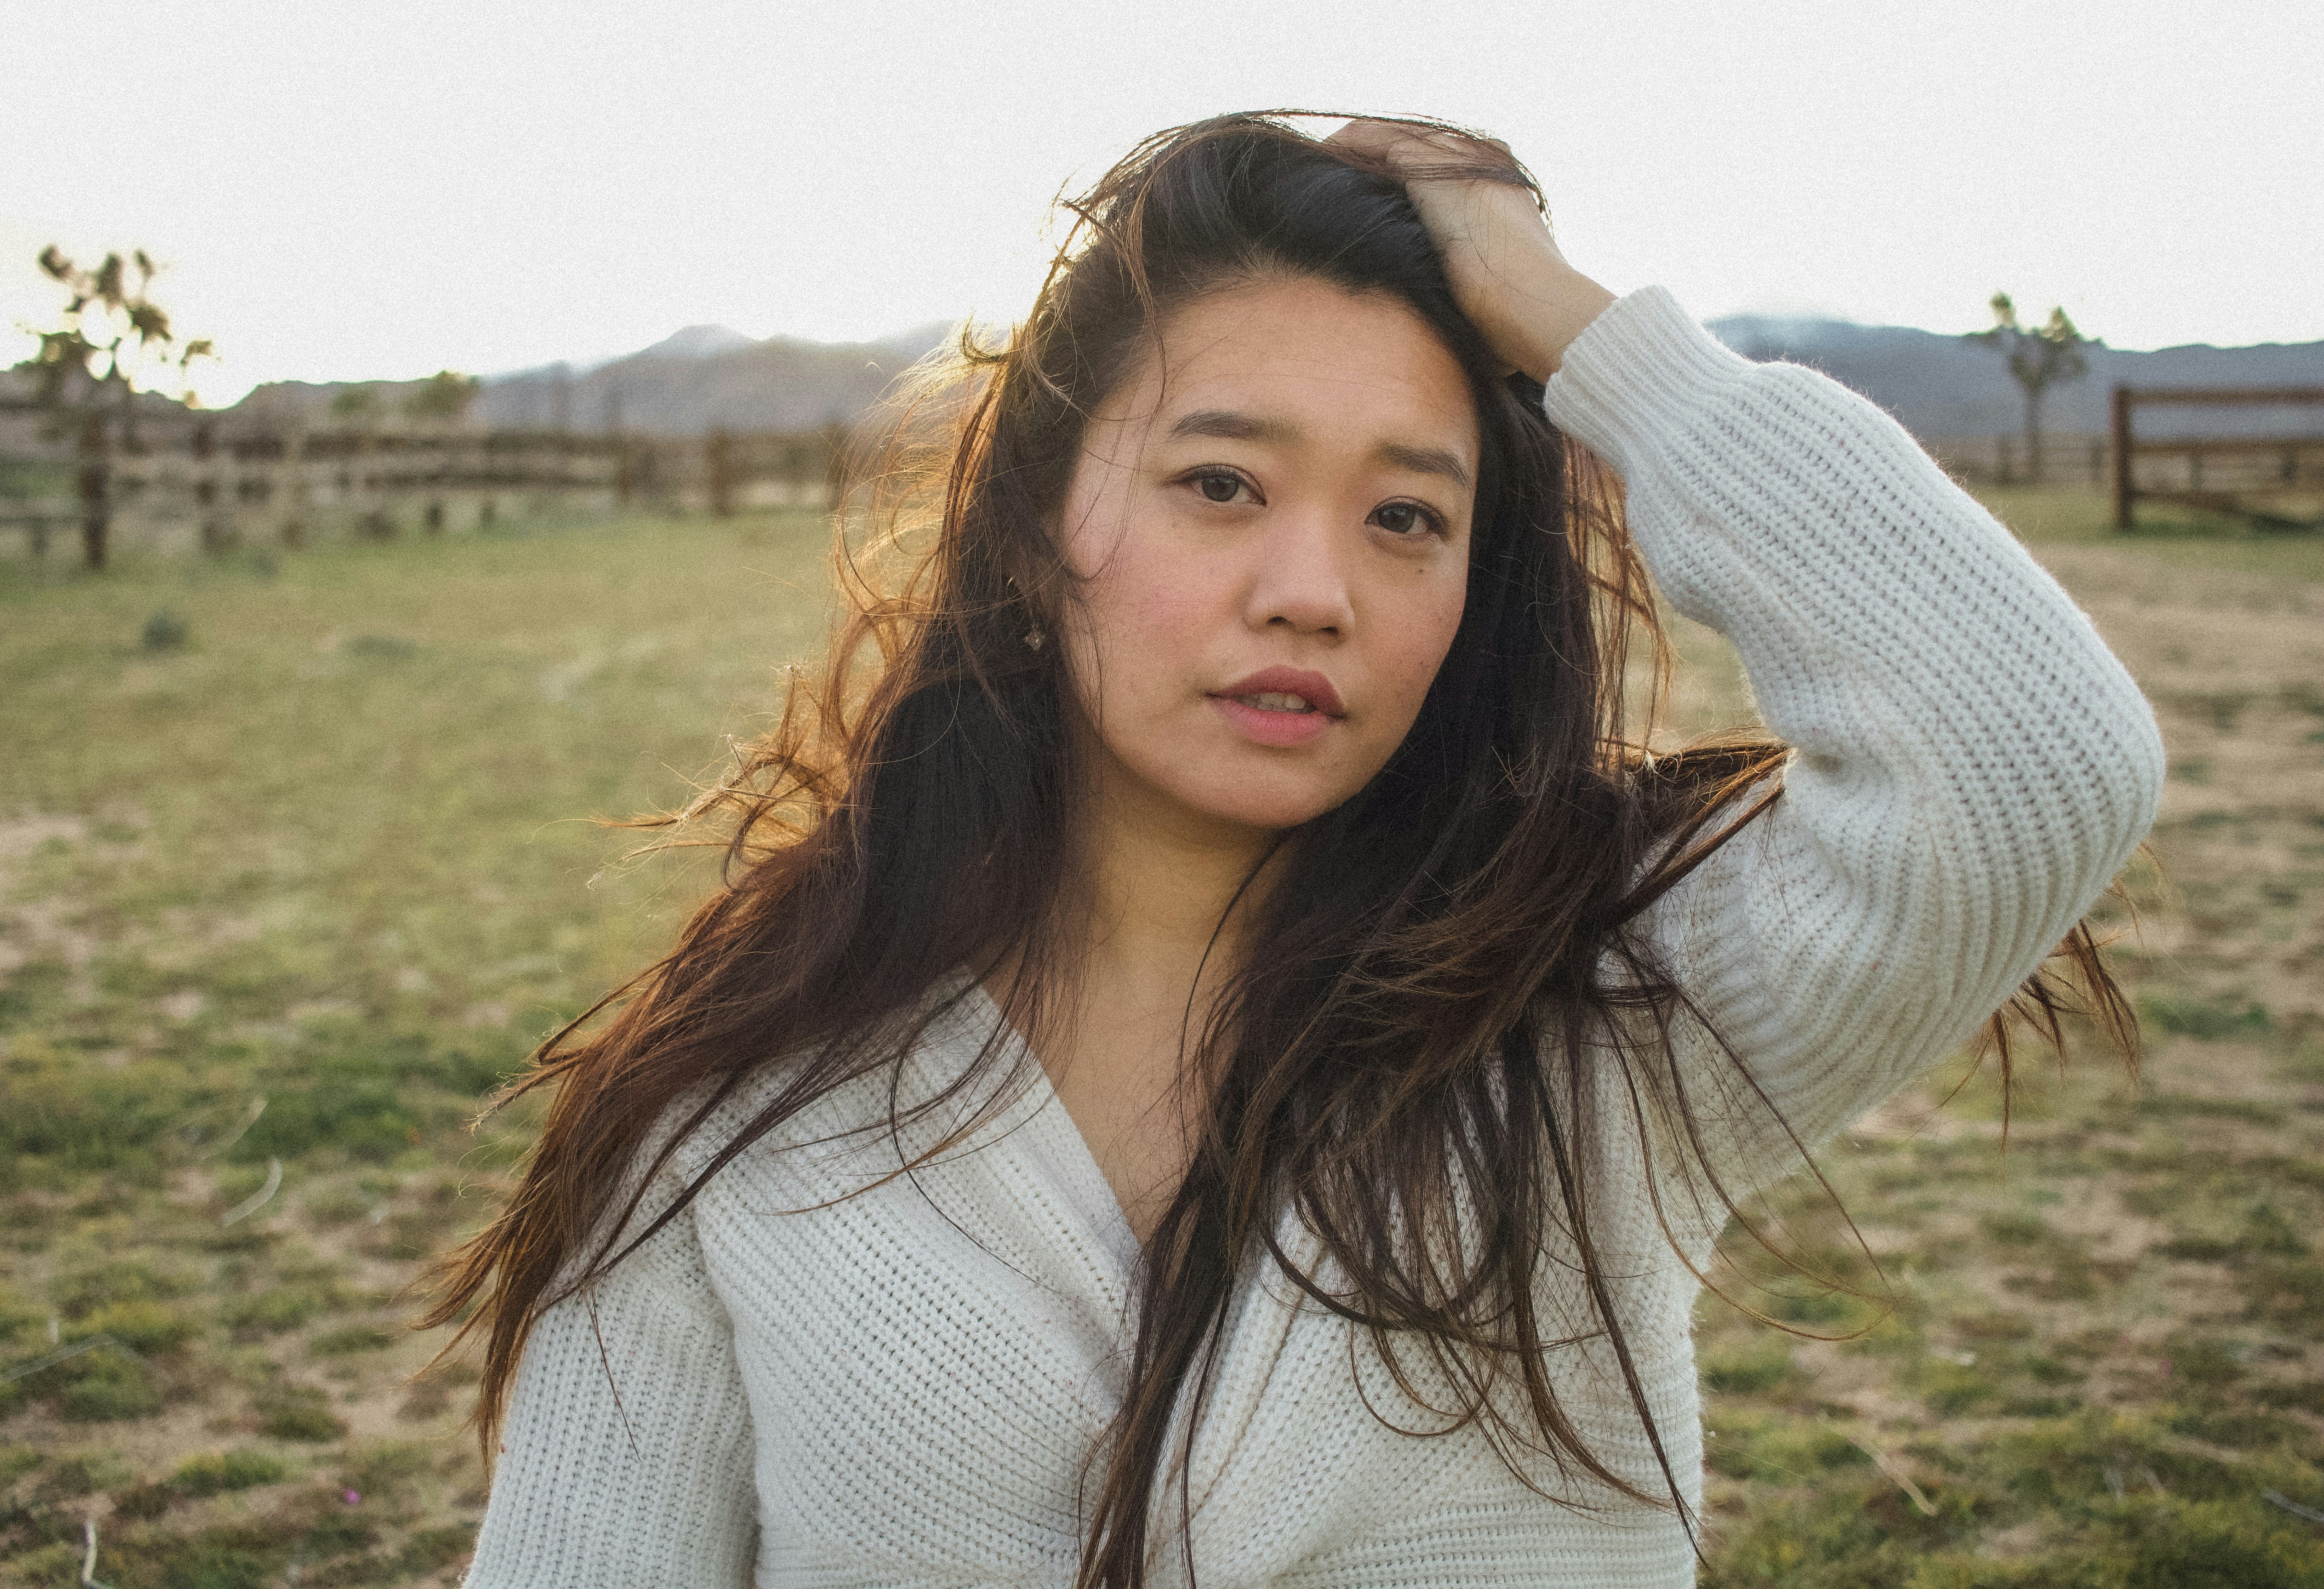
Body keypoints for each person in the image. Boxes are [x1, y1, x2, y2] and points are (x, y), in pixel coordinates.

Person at [426, 113, 2163, 1588]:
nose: (1313, 591)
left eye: (1409, 516)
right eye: (1222, 485)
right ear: (1042, 534)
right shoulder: (742, 1110)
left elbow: (2032, 757)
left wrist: (1564, 317)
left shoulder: (1608, 1015)